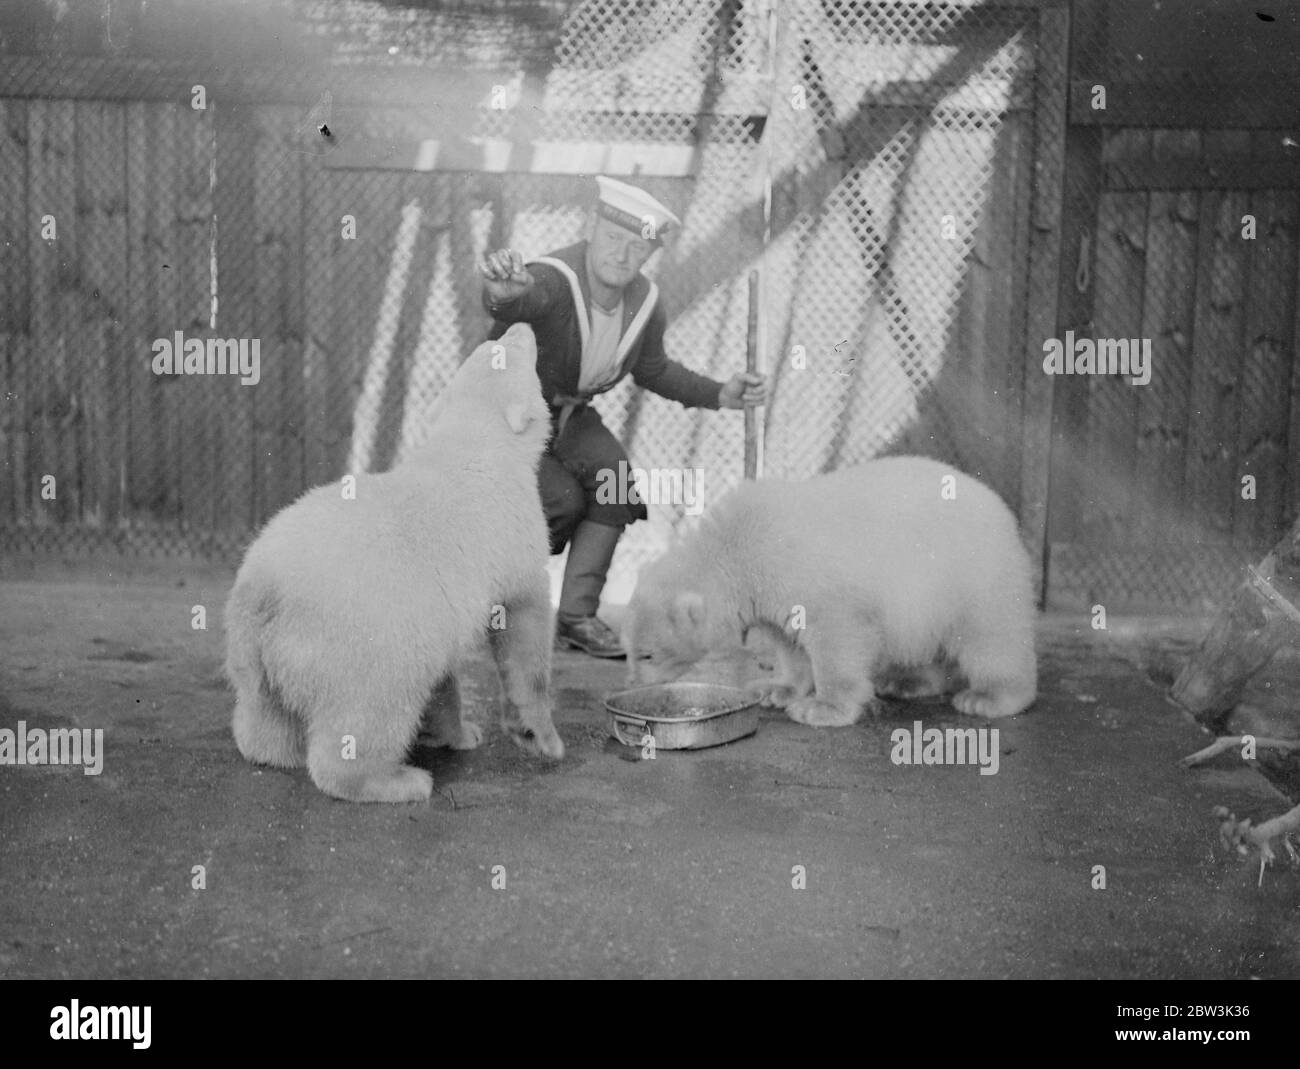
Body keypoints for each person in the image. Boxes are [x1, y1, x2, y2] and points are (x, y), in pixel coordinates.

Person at [479, 175, 767, 658]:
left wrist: (722, 394)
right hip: (508, 416)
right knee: (563, 501)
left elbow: (653, 369)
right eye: (614, 239)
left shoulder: (644, 302)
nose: (622, 255)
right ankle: (487, 599)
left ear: (651, 254)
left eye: (638, 248)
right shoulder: (553, 278)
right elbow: (515, 300)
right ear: (592, 226)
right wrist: (502, 293)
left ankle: (575, 617)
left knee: (614, 480)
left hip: (567, 418)